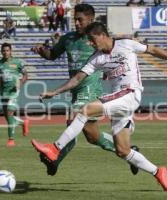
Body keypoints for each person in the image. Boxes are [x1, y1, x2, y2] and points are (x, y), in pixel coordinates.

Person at [31, 22, 167, 192]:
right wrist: (55, 92)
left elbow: (152, 50)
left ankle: (55, 148)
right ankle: (158, 171)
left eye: (92, 40)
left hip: (130, 93)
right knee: (123, 150)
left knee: (85, 111)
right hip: (119, 101)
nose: (90, 43)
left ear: (102, 35)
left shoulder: (126, 44)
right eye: (89, 41)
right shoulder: (97, 57)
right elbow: (77, 78)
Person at [31, 4, 139, 176]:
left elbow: (113, 54)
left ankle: (54, 158)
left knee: (73, 120)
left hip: (91, 88)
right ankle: (131, 152)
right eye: (75, 19)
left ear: (91, 19)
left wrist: (107, 72)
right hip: (75, 90)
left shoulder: (95, 40)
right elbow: (52, 55)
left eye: (80, 19)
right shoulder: (68, 39)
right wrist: (41, 50)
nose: (77, 23)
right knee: (92, 136)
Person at [0, 43, 30, 147]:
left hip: (14, 92)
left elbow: (26, 75)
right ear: (1, 52)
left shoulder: (18, 62)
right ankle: (23, 123)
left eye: (7, 50)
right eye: (4, 51)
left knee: (9, 112)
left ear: (11, 51)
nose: (5, 52)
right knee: (8, 117)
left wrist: (20, 83)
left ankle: (11, 139)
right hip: (4, 92)